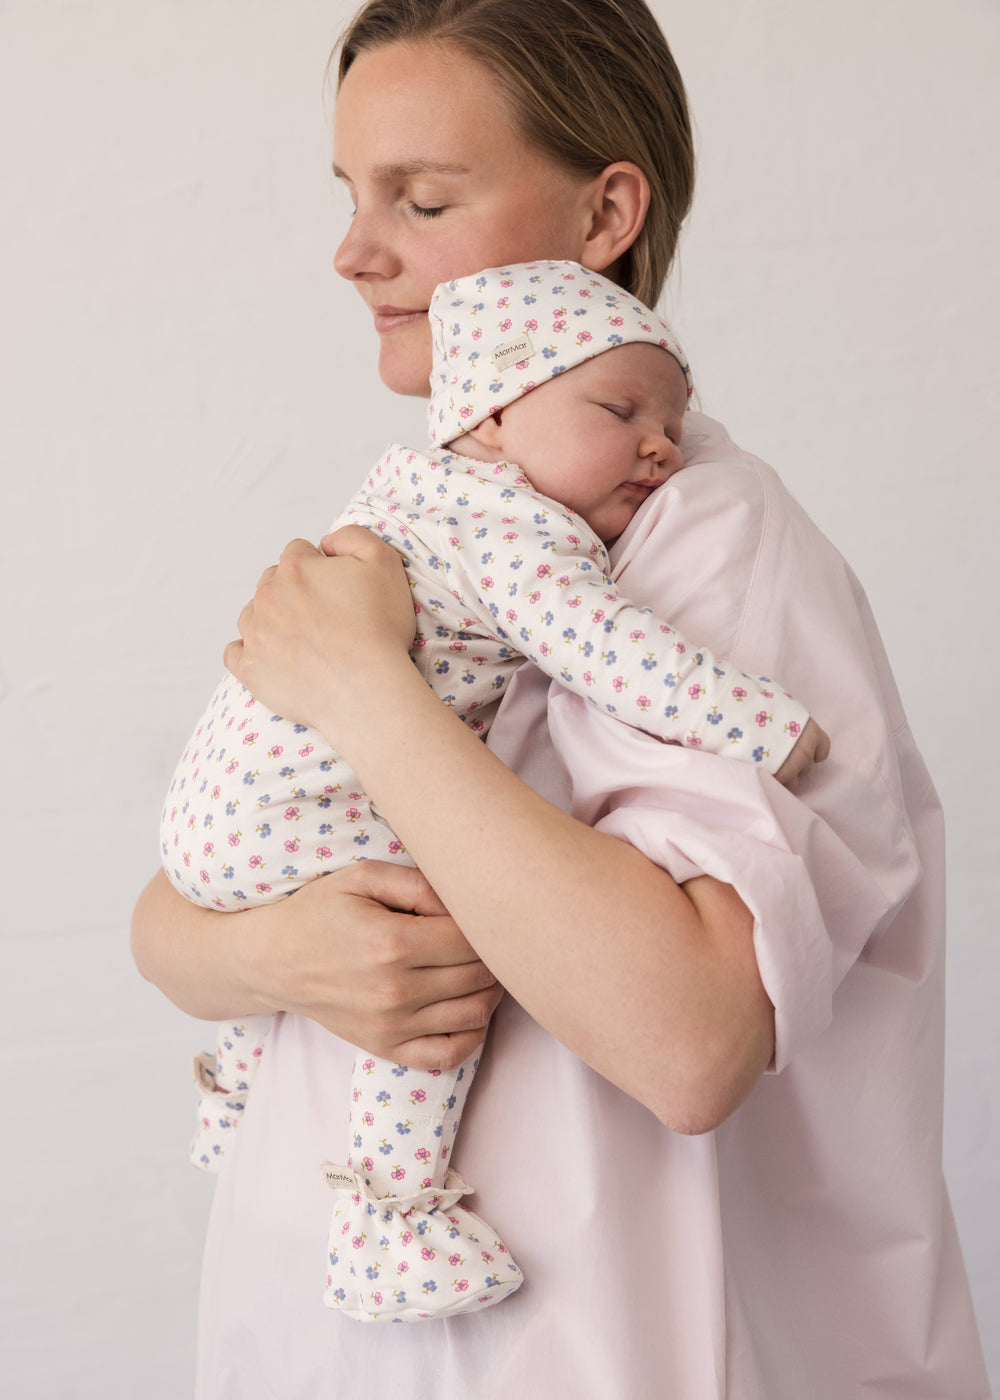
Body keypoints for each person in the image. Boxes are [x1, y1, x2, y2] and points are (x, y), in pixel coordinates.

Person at [130, 0, 990, 1394]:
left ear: (606, 217)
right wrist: (280, 956)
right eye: (351, 196)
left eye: (420, 196)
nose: (355, 252)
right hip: (319, 1336)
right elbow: (177, 912)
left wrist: (365, 690)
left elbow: (690, 1040)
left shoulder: (710, 547)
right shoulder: (442, 526)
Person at [161, 258, 825, 1323]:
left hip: (224, 815)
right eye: (619, 410)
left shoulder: (411, 493)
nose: (660, 443)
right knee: (444, 941)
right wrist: (767, 724)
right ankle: (393, 1215)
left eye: (669, 418)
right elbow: (618, 656)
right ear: (496, 411)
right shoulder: (514, 530)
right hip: (289, 816)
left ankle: (238, 1094)